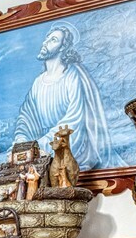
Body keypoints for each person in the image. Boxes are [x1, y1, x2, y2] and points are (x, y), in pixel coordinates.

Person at [10, 24, 111, 167]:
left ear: (63, 47)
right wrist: (21, 141)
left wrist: (41, 144)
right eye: (47, 38)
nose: (45, 42)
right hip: (41, 146)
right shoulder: (38, 82)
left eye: (53, 40)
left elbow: (75, 118)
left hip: (66, 144)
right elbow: (26, 117)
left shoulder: (72, 75)